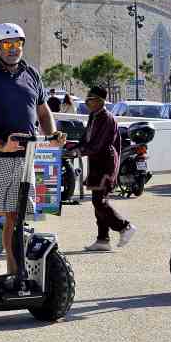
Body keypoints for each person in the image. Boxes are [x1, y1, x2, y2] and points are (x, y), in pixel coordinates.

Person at [0, 23, 64, 276]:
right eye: (7, 45)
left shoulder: (31, 74)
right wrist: (1, 144)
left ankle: (15, 274)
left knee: (16, 217)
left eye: (18, 44)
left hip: (25, 158)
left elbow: (43, 111)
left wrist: (52, 134)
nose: (14, 49)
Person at [66, 86, 136, 251]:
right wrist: (71, 148)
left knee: (100, 201)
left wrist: (79, 151)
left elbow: (98, 145)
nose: (87, 102)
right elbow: (86, 140)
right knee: (99, 201)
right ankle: (102, 240)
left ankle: (124, 227)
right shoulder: (93, 116)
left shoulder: (107, 118)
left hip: (106, 163)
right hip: (96, 164)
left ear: (100, 101)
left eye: (90, 100)